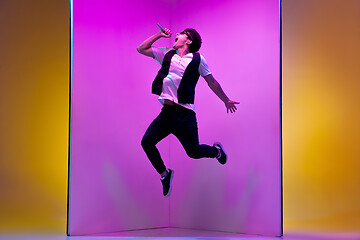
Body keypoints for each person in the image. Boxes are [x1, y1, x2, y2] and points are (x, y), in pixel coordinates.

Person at [136, 27, 239, 197]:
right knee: (146, 142)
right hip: (167, 113)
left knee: (194, 152)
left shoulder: (198, 60)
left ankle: (216, 151)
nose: (176, 35)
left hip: (185, 116)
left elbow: (211, 82)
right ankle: (165, 174)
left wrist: (226, 100)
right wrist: (159, 35)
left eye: (181, 34)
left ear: (189, 40)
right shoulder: (167, 54)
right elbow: (142, 49)